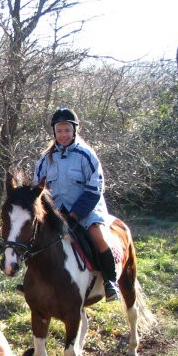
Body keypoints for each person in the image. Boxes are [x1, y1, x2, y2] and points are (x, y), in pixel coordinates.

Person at [33, 108, 120, 301]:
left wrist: (75, 215)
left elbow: (95, 188)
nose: (63, 135)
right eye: (59, 131)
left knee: (98, 237)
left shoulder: (86, 155)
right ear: (54, 133)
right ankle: (34, 281)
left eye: (67, 130)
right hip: (56, 212)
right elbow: (38, 190)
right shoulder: (44, 160)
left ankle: (110, 281)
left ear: (74, 131)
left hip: (86, 209)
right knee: (36, 239)